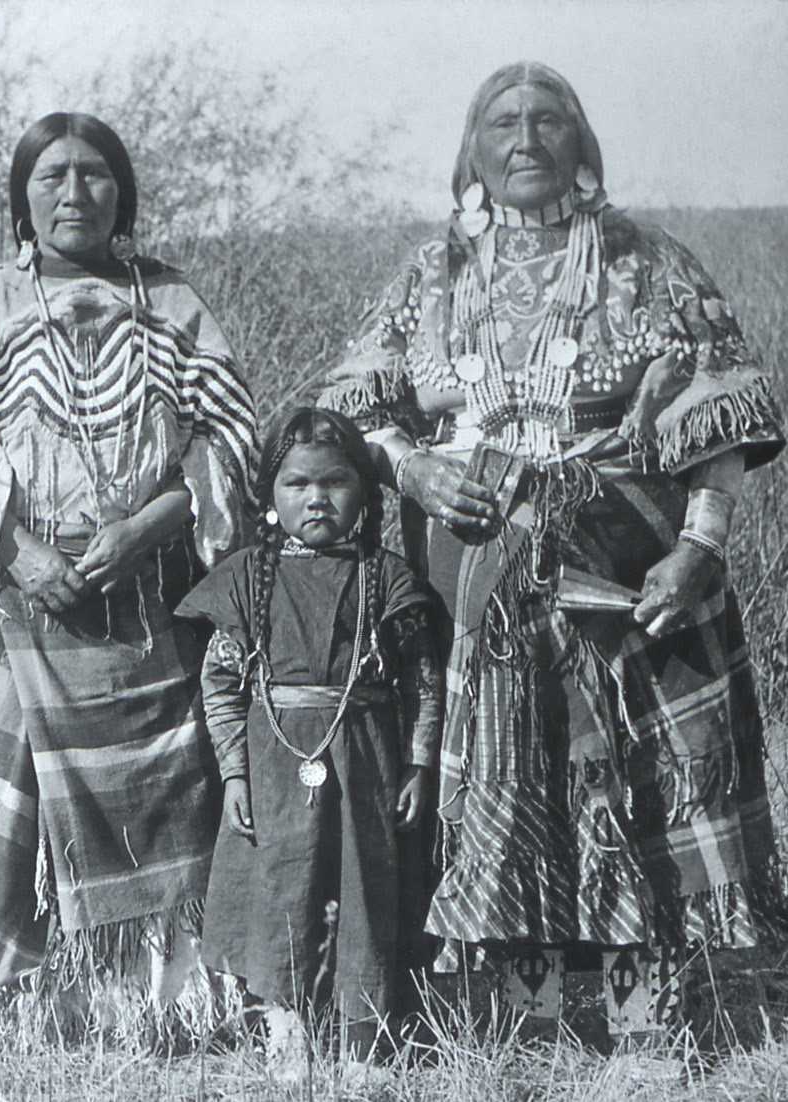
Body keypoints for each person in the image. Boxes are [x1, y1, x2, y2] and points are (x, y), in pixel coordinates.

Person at [319, 61, 785, 1038]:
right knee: (512, 791)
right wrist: (414, 470)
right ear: (472, 149)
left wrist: (697, 548)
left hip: (628, 563)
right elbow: (353, 409)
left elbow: (720, 426)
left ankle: (641, 1021)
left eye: (548, 119)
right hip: (480, 575)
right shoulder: (431, 272)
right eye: (502, 122)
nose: (526, 138)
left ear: (580, 142)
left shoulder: (645, 260)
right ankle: (530, 1024)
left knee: (620, 790)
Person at [0, 112, 257, 1037]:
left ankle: (147, 1004)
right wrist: (16, 550)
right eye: (50, 176)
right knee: (10, 786)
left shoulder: (172, 302)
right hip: (11, 591)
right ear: (23, 197)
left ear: (121, 192)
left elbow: (229, 443)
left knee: (159, 785)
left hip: (144, 593)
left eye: (93, 174)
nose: (73, 192)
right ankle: (32, 1002)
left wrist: (146, 525)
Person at [176, 407, 442, 1071]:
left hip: (368, 766)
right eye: (296, 484)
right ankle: (286, 1038)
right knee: (279, 889)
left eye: (334, 482)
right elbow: (219, 686)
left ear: (363, 490)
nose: (316, 498)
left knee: (364, 889)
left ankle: (365, 1045)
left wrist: (416, 764)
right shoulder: (245, 578)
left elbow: (425, 683)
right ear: (268, 495)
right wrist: (234, 774)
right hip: (273, 764)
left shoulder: (386, 578)